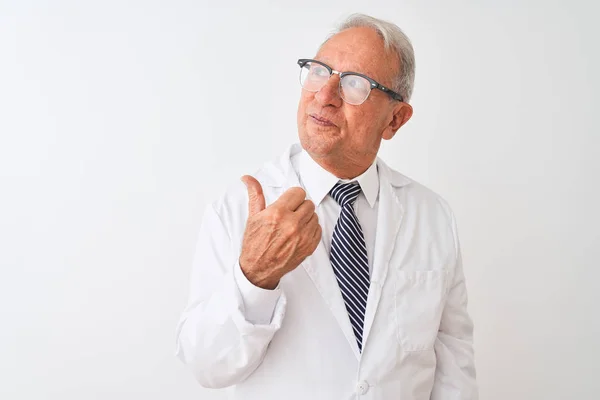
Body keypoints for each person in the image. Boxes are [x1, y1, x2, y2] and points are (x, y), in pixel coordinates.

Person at [175, 13, 477, 400]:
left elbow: (454, 368)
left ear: (396, 119)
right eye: (319, 71)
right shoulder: (237, 208)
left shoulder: (432, 215)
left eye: (355, 85)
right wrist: (254, 275)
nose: (325, 95)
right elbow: (206, 365)